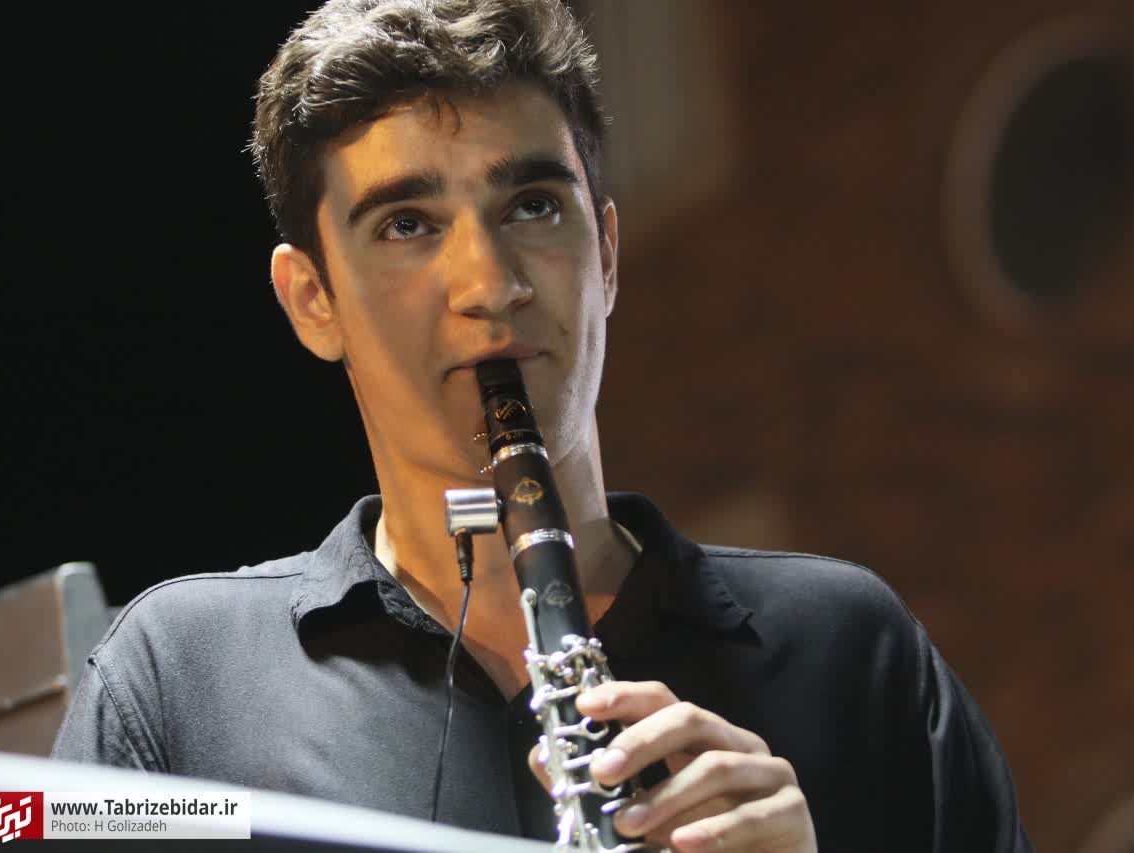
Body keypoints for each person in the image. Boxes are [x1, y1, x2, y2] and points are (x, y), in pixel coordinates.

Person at [53, 2, 1033, 850]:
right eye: (407, 224)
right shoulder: (180, 680)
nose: (490, 284)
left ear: (605, 253)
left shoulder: (851, 650)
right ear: (312, 300)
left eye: (530, 205)